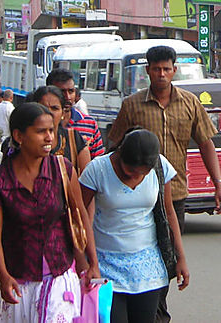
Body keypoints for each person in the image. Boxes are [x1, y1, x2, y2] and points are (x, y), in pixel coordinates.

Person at [106, 45, 221, 323]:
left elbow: (206, 143)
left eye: (166, 69)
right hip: (136, 197)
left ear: (174, 70)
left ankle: (156, 309)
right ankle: (154, 313)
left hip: (175, 196)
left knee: (168, 256)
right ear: (147, 70)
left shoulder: (190, 103)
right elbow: (115, 148)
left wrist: (218, 185)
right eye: (156, 69)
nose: (161, 74)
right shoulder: (132, 105)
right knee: (142, 254)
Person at [0, 102, 99, 322]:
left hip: (58, 281)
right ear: (19, 136)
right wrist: (4, 276)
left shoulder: (62, 169)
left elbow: (80, 215)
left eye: (51, 131)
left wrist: (93, 264)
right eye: (41, 132)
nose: (49, 138)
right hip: (16, 283)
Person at [80, 129, 189, 323]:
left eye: (142, 173)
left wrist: (180, 257)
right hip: (106, 266)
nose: (135, 176)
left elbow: (169, 212)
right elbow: (79, 215)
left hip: (148, 268)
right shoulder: (97, 170)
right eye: (130, 170)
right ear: (120, 154)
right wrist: (88, 262)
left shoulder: (160, 166)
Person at [31, 85, 91, 175]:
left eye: (54, 108)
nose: (49, 112)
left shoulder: (74, 139)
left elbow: (86, 181)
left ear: (63, 113)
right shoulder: (24, 141)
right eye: (43, 107)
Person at [46, 69, 105, 158]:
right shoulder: (39, 124)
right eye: (62, 92)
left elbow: (97, 162)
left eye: (71, 91)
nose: (67, 97)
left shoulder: (89, 124)